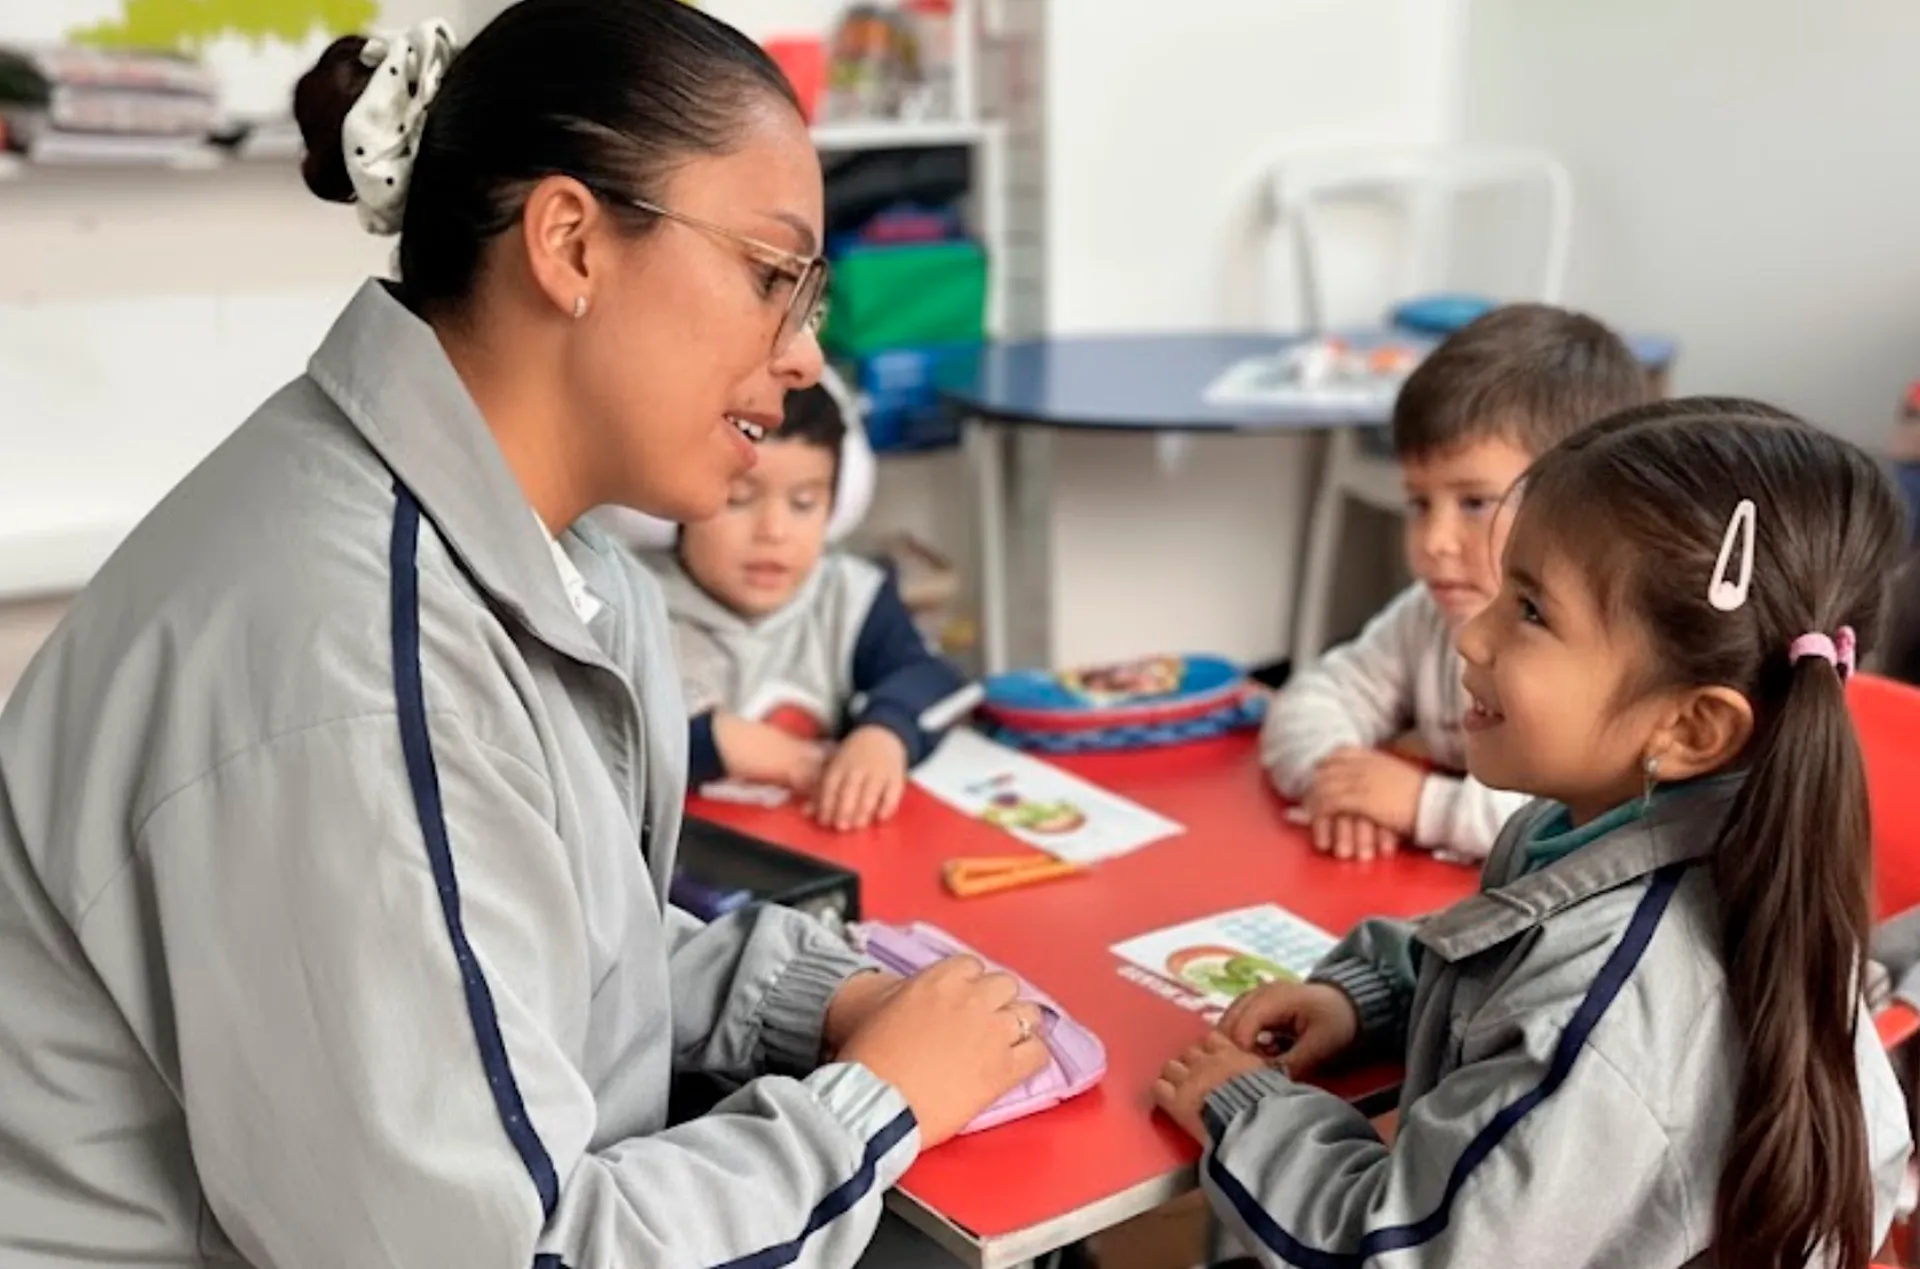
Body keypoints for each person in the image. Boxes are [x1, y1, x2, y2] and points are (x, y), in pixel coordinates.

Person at [0, 4, 1046, 1266]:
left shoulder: (524, 550)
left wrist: (816, 999)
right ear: (570, 244)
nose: (807, 355)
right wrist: (876, 1108)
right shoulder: (355, 663)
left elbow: (531, 948)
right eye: (773, 277)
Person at [1158, 400, 1914, 1268]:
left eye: (1529, 610)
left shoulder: (1604, 1014)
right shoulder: (1601, 828)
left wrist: (1249, 1111)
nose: (1472, 633)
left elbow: (1406, 1253)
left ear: (1694, 727)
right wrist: (1367, 998)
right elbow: (1505, 960)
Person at [1262, 303, 1647, 863]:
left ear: (1586, 508)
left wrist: (1421, 805)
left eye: (1474, 503)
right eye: (1419, 503)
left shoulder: (1594, 642)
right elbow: (1311, 699)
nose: (1435, 539)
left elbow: (1585, 818)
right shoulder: (1427, 613)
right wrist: (1343, 783)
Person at [645, 379, 967, 831]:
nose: (773, 531)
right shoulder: (632, 602)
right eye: (738, 500)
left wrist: (886, 733)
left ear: (837, 507)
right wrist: (712, 742)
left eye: (803, 504)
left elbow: (930, 678)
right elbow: (600, 736)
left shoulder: (849, 596)